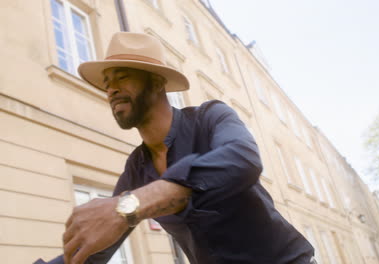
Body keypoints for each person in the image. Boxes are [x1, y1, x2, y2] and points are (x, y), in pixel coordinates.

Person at [37, 32, 315, 264]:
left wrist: (133, 204)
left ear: (156, 82)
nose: (111, 90)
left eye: (121, 77)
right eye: (107, 84)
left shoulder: (210, 118)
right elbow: (96, 250)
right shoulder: (136, 168)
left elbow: (243, 159)